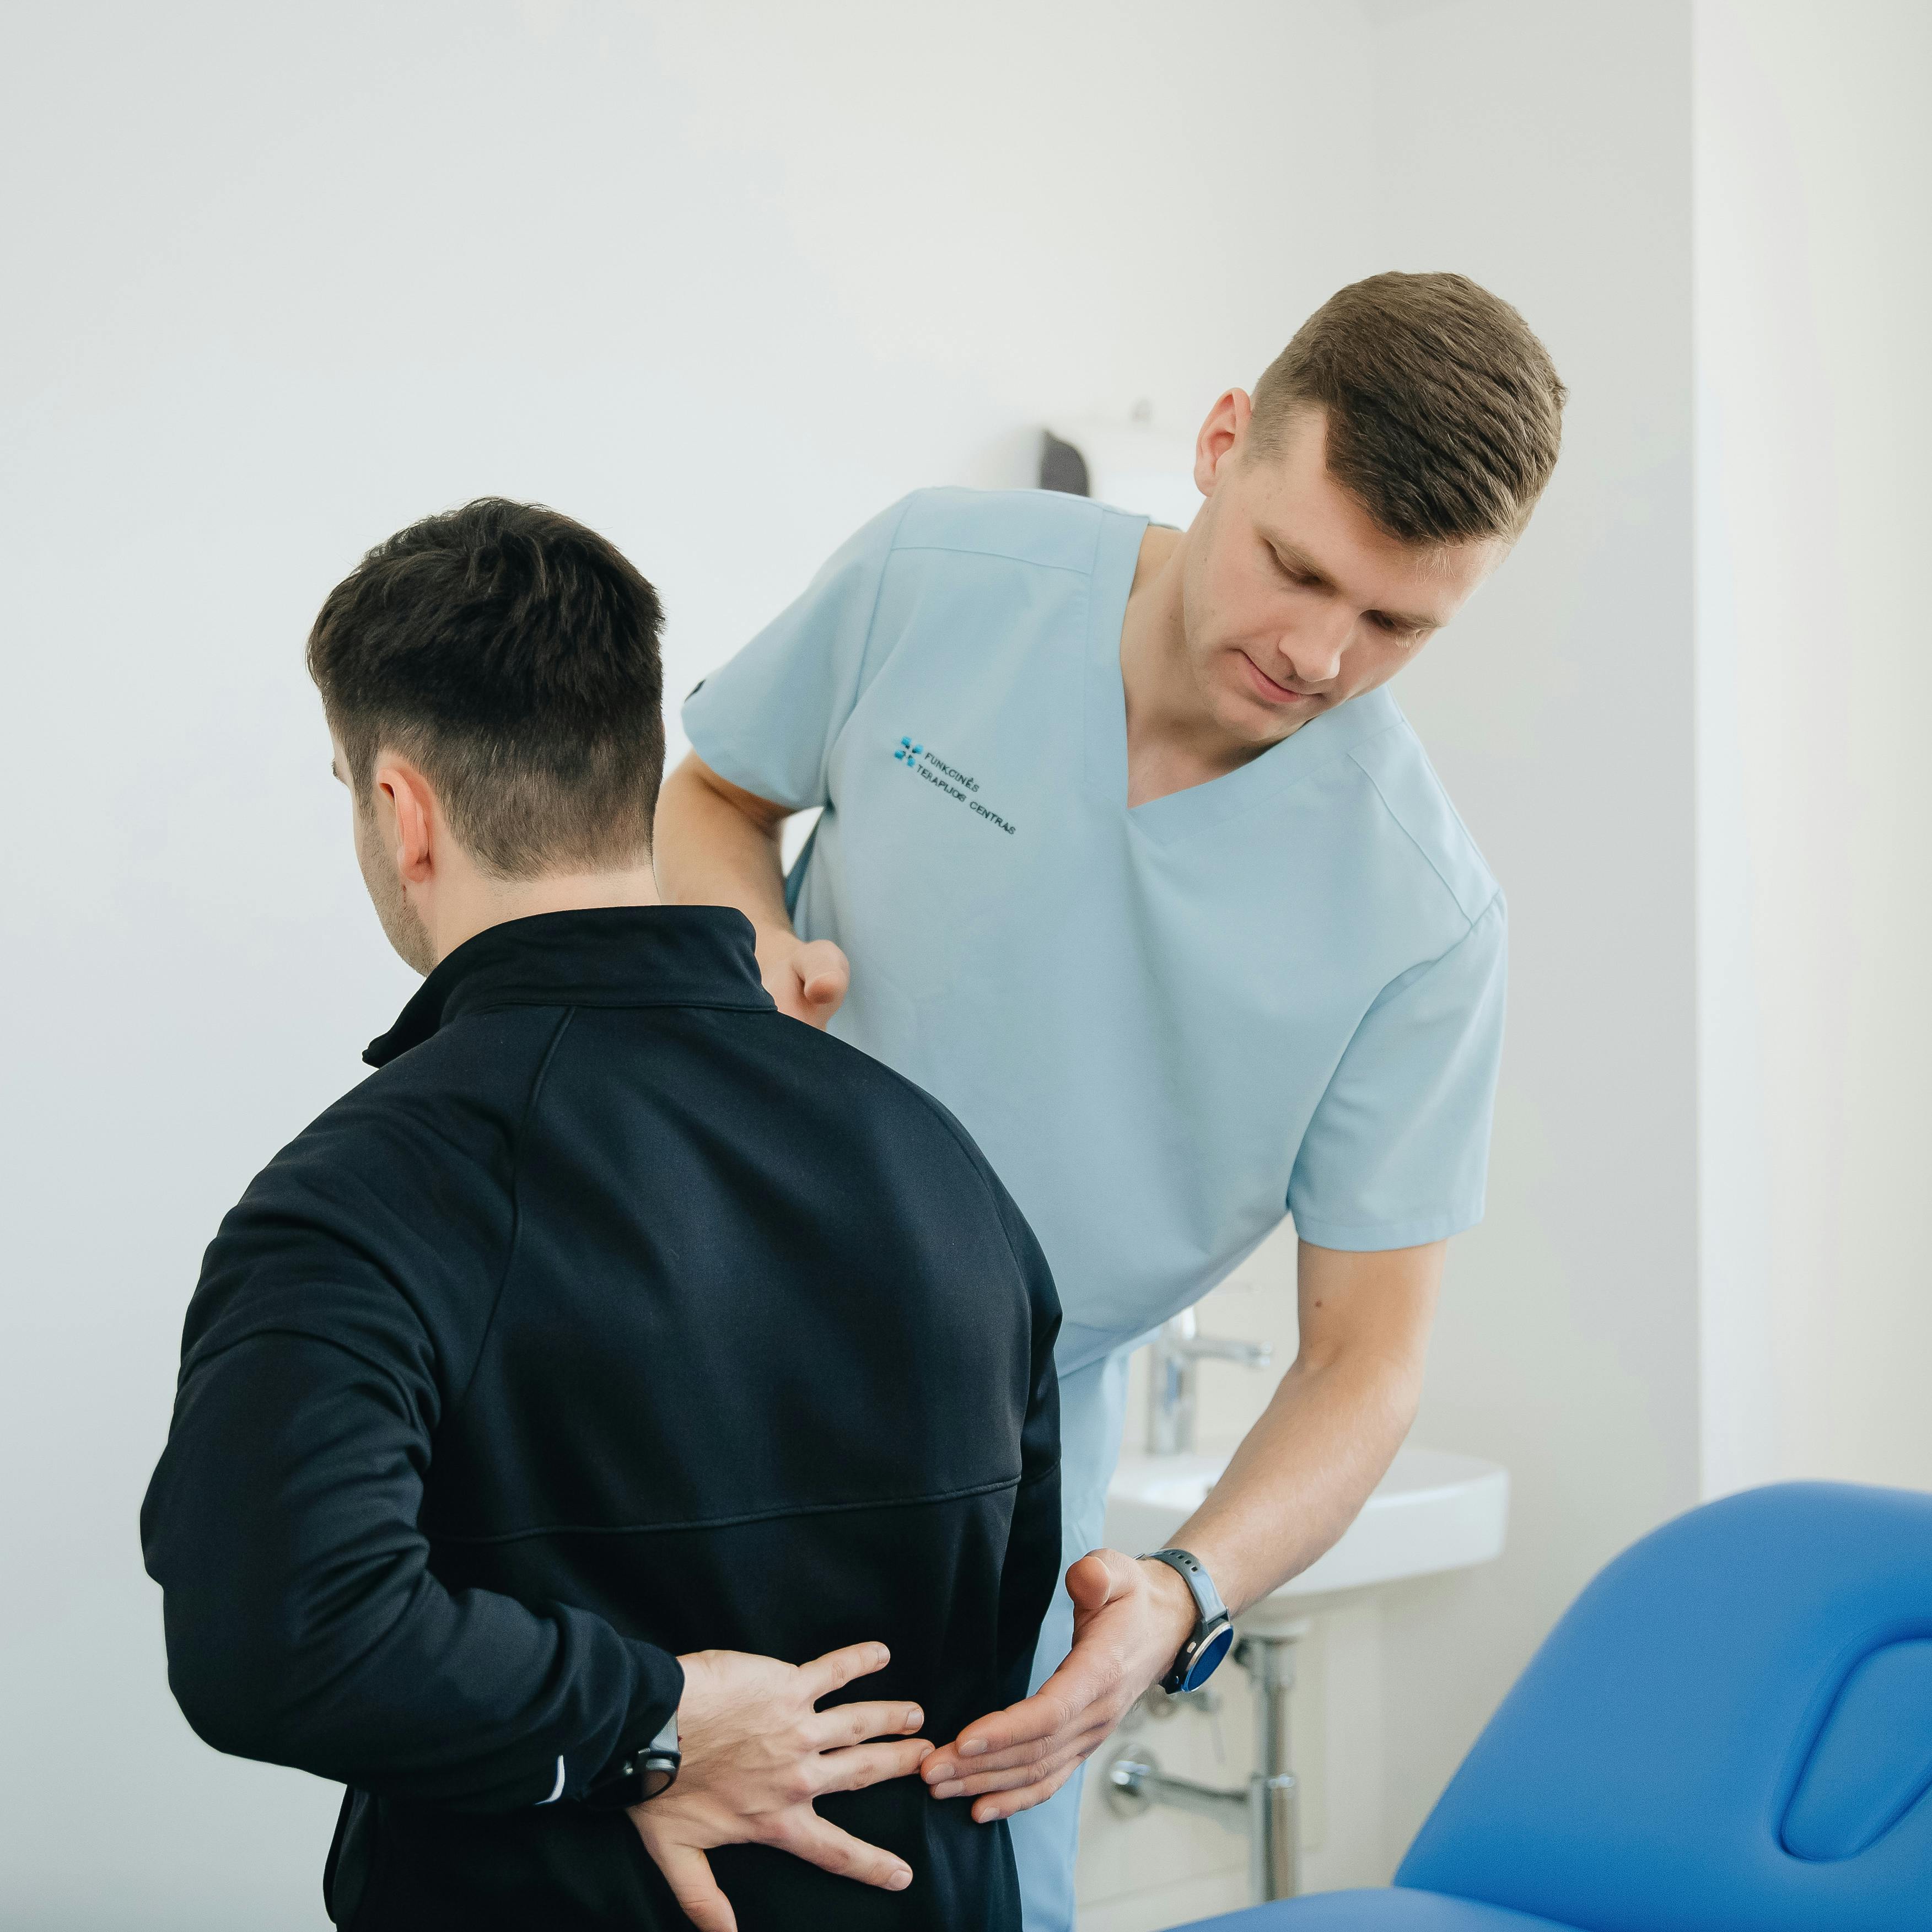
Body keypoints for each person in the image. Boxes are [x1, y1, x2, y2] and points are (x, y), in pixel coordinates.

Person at [655, 271, 1566, 1928]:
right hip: (690, 1323)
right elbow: (718, 788)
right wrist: (748, 939)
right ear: (1222, 444)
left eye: (1396, 624)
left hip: (996, 1445)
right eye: (1296, 568)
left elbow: (1366, 1355)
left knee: (946, 1882)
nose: (1317, 652)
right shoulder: (938, 572)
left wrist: (1178, 1590)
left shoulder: (1420, 916)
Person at [139, 500, 1062, 1932]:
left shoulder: (365, 1190)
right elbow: (991, 1623)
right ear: (632, 766)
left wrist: (657, 1719)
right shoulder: (937, 1160)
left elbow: (279, 1632)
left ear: (402, 806)